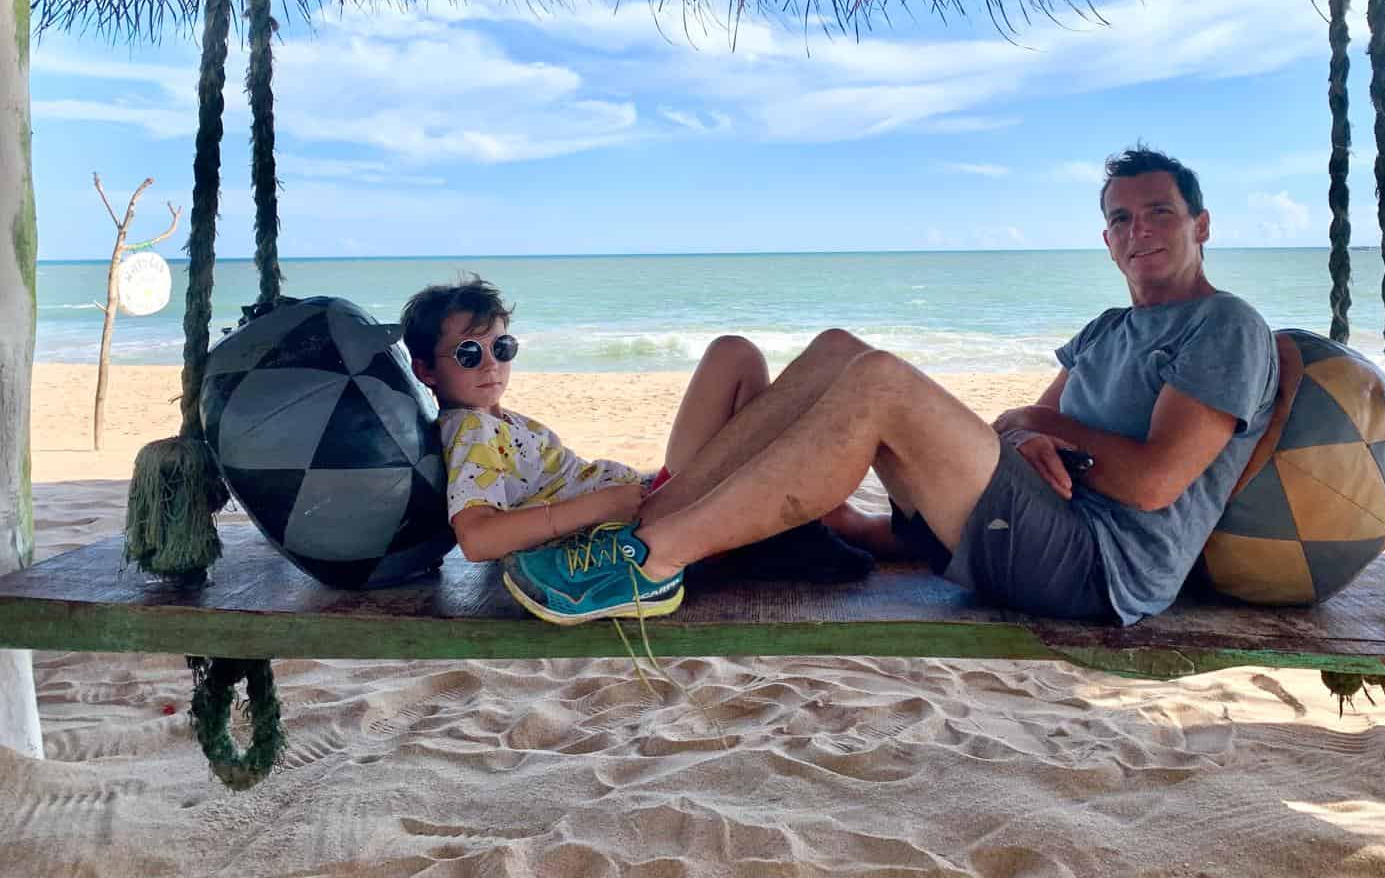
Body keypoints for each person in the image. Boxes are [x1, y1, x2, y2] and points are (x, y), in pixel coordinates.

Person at [501, 147, 1279, 628]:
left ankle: (646, 562)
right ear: (1105, 238)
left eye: (1158, 213)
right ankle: (651, 518)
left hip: (1099, 568)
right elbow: (1023, 428)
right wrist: (1031, 429)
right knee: (841, 349)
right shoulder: (1109, 328)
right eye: (1120, 219)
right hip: (1037, 528)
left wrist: (1038, 421)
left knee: (878, 381)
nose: (1138, 230)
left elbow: (1149, 484)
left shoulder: (1224, 327)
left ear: (1200, 225)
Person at [401, 277, 871, 619]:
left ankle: (797, 533)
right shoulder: (471, 431)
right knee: (755, 354)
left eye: (502, 348)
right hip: (649, 521)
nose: (491, 365)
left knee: (742, 356)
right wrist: (597, 506)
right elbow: (478, 539)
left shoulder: (495, 421)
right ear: (425, 371)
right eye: (469, 354)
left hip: (652, 500)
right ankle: (785, 536)